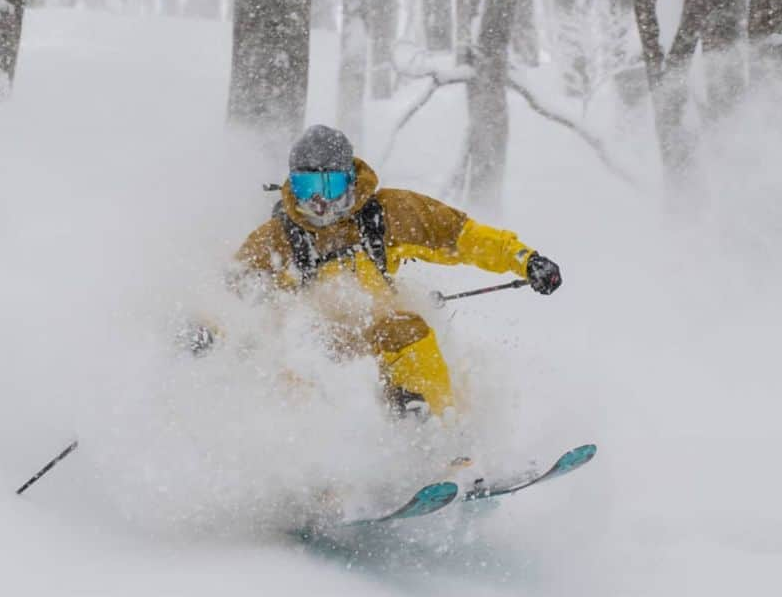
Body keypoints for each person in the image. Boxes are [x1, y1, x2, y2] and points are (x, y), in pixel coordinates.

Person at [230, 125, 561, 418]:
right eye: (306, 186)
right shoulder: (279, 238)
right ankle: (310, 467)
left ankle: (434, 431)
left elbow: (462, 236)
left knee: (405, 330)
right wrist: (203, 329)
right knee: (290, 360)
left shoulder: (384, 215)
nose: (318, 201)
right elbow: (228, 293)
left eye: (328, 185)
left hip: (377, 330)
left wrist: (526, 260)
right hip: (316, 341)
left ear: (349, 180)